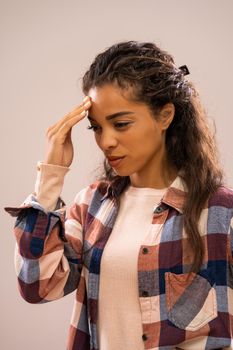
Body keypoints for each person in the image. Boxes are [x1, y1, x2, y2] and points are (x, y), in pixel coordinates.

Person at [5, 40, 233, 350]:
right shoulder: (92, 206)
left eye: (121, 124)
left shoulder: (219, 211)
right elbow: (37, 286)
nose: (106, 141)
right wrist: (50, 175)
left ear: (165, 116)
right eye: (96, 128)